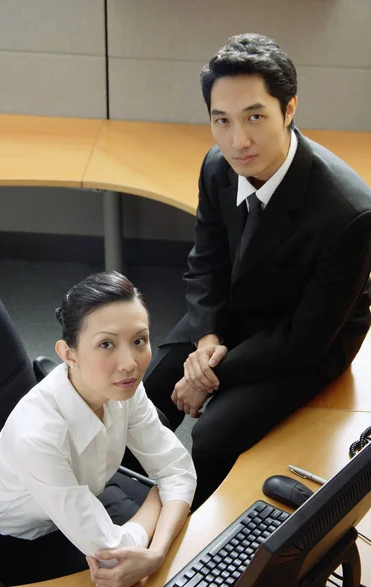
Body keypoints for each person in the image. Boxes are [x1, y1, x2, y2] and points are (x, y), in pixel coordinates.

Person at [144, 33, 371, 510]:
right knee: (149, 391)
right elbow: (205, 262)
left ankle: (198, 526)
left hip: (308, 338)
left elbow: (305, 339)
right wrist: (206, 344)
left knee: (213, 433)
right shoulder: (217, 166)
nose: (237, 140)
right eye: (220, 121)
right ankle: (129, 500)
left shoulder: (350, 212)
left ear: (289, 109)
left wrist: (207, 376)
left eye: (254, 117)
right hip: (234, 311)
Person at [0, 271, 196, 587]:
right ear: (68, 354)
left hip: (87, 494)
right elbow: (113, 555)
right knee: (134, 586)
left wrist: (156, 551)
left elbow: (181, 472)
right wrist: (160, 494)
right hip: (18, 536)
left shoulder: (124, 386)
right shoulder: (37, 436)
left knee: (183, 547)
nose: (129, 363)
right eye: (106, 343)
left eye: (139, 340)